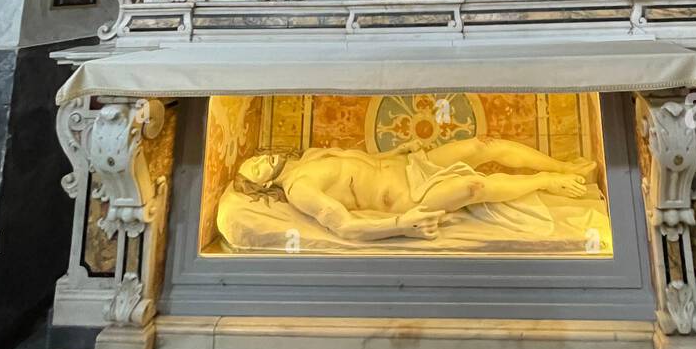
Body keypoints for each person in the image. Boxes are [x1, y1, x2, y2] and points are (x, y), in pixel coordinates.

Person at [233, 135, 597, 244]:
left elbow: (359, 164)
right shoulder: (300, 188)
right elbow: (343, 225)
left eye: (254, 158)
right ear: (262, 185)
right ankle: (548, 182)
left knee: (482, 146)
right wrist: (401, 224)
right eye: (253, 171)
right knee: (474, 186)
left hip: (411, 166)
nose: (258, 161)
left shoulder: (310, 155)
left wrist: (391, 152)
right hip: (410, 197)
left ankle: (565, 166)